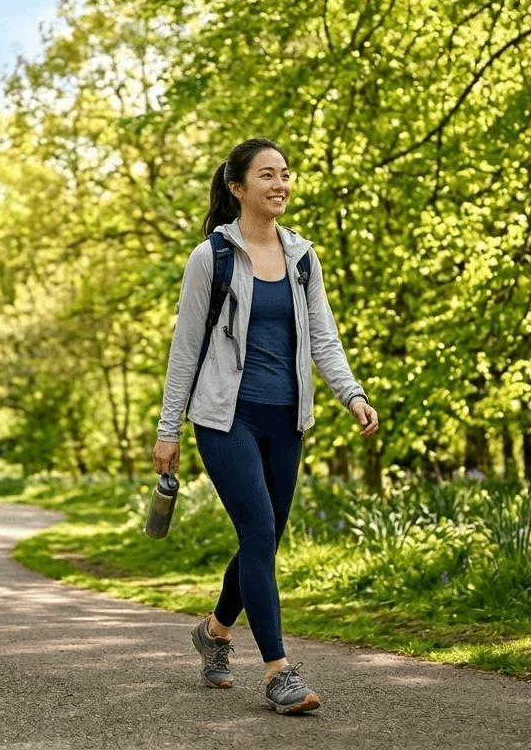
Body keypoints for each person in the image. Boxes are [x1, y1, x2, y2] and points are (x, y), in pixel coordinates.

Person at [152, 138, 379, 716]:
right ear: (238, 188)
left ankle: (215, 629)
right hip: (225, 417)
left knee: (265, 539)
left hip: (287, 417)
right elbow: (185, 349)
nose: (280, 184)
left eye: (285, 174)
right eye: (267, 175)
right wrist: (168, 428)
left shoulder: (303, 258)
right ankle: (280, 672)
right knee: (257, 531)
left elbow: (324, 337)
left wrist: (350, 393)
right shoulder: (213, 258)